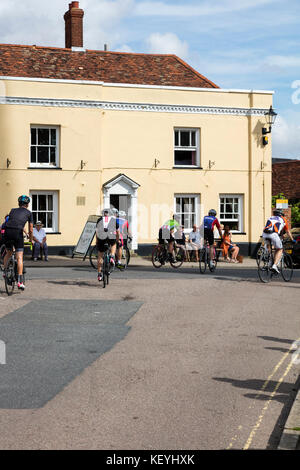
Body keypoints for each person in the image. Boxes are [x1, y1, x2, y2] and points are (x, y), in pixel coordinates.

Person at [3, 195, 33, 290]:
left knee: (8, 252)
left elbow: (14, 222)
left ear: (18, 203)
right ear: (27, 204)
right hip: (17, 234)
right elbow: (31, 229)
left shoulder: (12, 210)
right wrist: (30, 239)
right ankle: (20, 282)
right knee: (19, 257)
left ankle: (5, 272)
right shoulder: (29, 213)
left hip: (7, 232)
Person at [262, 208, 295, 273]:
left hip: (265, 234)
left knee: (269, 245)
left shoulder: (270, 218)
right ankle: (274, 266)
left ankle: (268, 260)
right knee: (280, 249)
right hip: (273, 234)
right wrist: (292, 239)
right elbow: (287, 231)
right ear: (281, 214)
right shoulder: (283, 219)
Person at [96, 208, 120, 282]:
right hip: (110, 236)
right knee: (113, 244)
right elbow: (117, 231)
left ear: (103, 214)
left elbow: (97, 232)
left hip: (101, 238)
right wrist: (117, 239)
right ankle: (112, 256)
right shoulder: (113, 220)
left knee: (100, 255)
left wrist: (97, 241)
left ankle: (99, 274)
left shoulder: (99, 220)